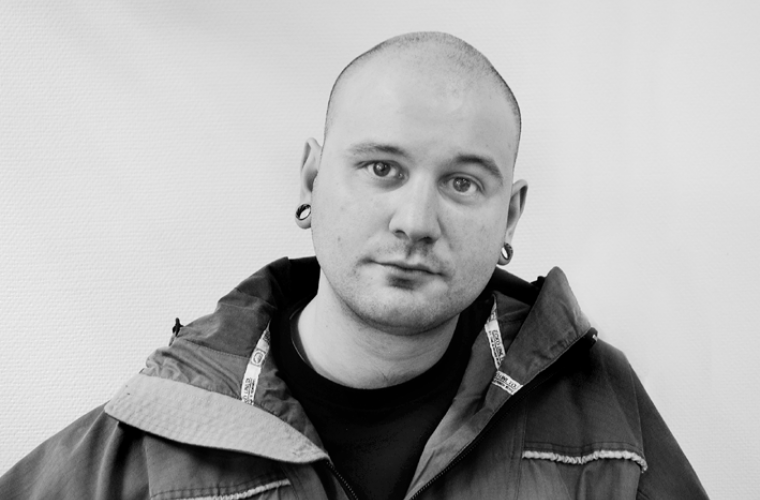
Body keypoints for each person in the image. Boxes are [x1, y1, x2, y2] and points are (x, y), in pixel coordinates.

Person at [0, 32, 708, 500]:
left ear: (510, 215)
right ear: (312, 180)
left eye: (463, 183)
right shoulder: (170, 419)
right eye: (381, 168)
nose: (415, 222)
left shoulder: (597, 403)